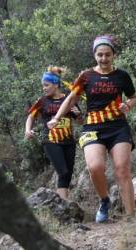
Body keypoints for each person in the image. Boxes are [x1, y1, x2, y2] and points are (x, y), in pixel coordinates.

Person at [47, 35, 136, 222]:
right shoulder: (86, 76)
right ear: (94, 55)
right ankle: (105, 201)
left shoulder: (122, 76)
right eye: (100, 55)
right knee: (95, 167)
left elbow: (134, 97)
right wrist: (56, 117)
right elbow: (71, 99)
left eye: (107, 55)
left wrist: (128, 105)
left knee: (122, 169)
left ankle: (131, 218)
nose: (103, 59)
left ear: (114, 55)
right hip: (92, 127)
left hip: (118, 127)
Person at [25, 66, 82, 200]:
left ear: (55, 85)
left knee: (67, 174)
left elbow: (80, 121)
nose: (43, 88)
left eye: (46, 85)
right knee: (62, 171)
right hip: (50, 141)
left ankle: (64, 203)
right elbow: (31, 117)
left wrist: (78, 115)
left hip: (69, 141)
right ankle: (62, 203)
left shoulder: (68, 99)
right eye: (43, 86)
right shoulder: (42, 101)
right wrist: (28, 130)